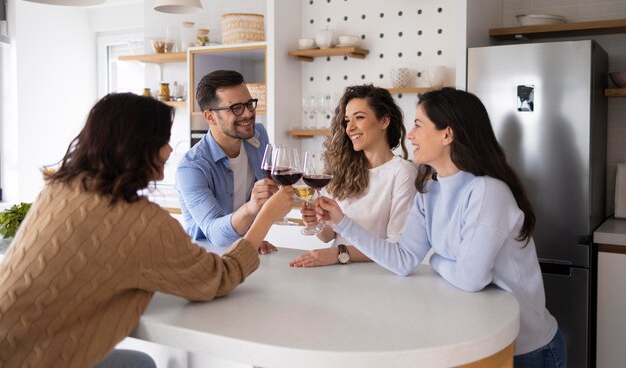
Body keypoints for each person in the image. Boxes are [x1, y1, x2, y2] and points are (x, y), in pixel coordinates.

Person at [0, 93, 293, 368]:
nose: (169, 150)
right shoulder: (142, 222)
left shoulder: (59, 189)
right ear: (135, 147)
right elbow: (219, 277)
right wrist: (265, 217)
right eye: (162, 141)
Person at [313, 88, 566, 368]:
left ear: (447, 135)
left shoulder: (487, 192)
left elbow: (471, 278)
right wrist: (341, 222)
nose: (409, 135)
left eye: (419, 125)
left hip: (527, 349)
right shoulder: (429, 190)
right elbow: (402, 260)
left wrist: (435, 259)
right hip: (477, 339)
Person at [290, 85, 417, 267]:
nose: (350, 128)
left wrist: (339, 253)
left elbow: (396, 246)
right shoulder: (344, 168)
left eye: (359, 117)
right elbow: (328, 237)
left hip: (376, 274)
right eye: (347, 120)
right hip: (338, 272)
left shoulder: (402, 173)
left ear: (384, 121)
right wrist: (315, 222)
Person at [176, 70, 278, 253]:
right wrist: (251, 208)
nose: (248, 114)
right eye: (236, 108)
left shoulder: (259, 135)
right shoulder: (192, 167)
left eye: (249, 104)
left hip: (245, 252)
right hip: (207, 259)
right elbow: (214, 233)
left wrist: (251, 238)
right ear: (210, 117)